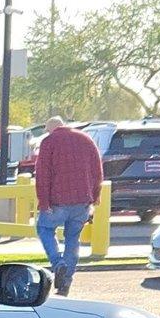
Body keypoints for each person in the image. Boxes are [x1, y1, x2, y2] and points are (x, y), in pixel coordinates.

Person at [34, 116, 103, 296]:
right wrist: (95, 196)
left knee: (44, 228)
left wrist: (44, 202)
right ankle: (66, 282)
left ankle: (58, 264)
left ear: (52, 129)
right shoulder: (86, 140)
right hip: (82, 201)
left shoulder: (49, 142)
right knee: (73, 239)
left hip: (58, 201)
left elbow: (43, 175)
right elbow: (98, 171)